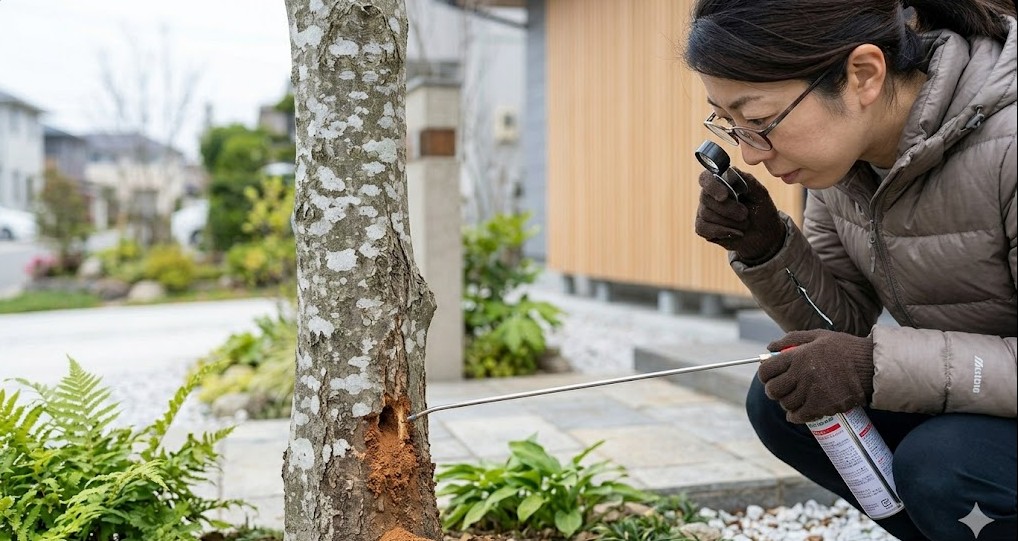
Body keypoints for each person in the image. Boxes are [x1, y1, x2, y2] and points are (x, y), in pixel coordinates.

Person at [685, 0, 1016, 539]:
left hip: (982, 415)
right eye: (730, 125)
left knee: (944, 465)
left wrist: (873, 366)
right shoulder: (847, 160)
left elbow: (866, 358)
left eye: (760, 121)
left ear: (863, 74)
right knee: (788, 401)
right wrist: (767, 248)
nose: (748, 154)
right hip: (985, 395)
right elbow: (843, 329)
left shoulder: (1009, 142)